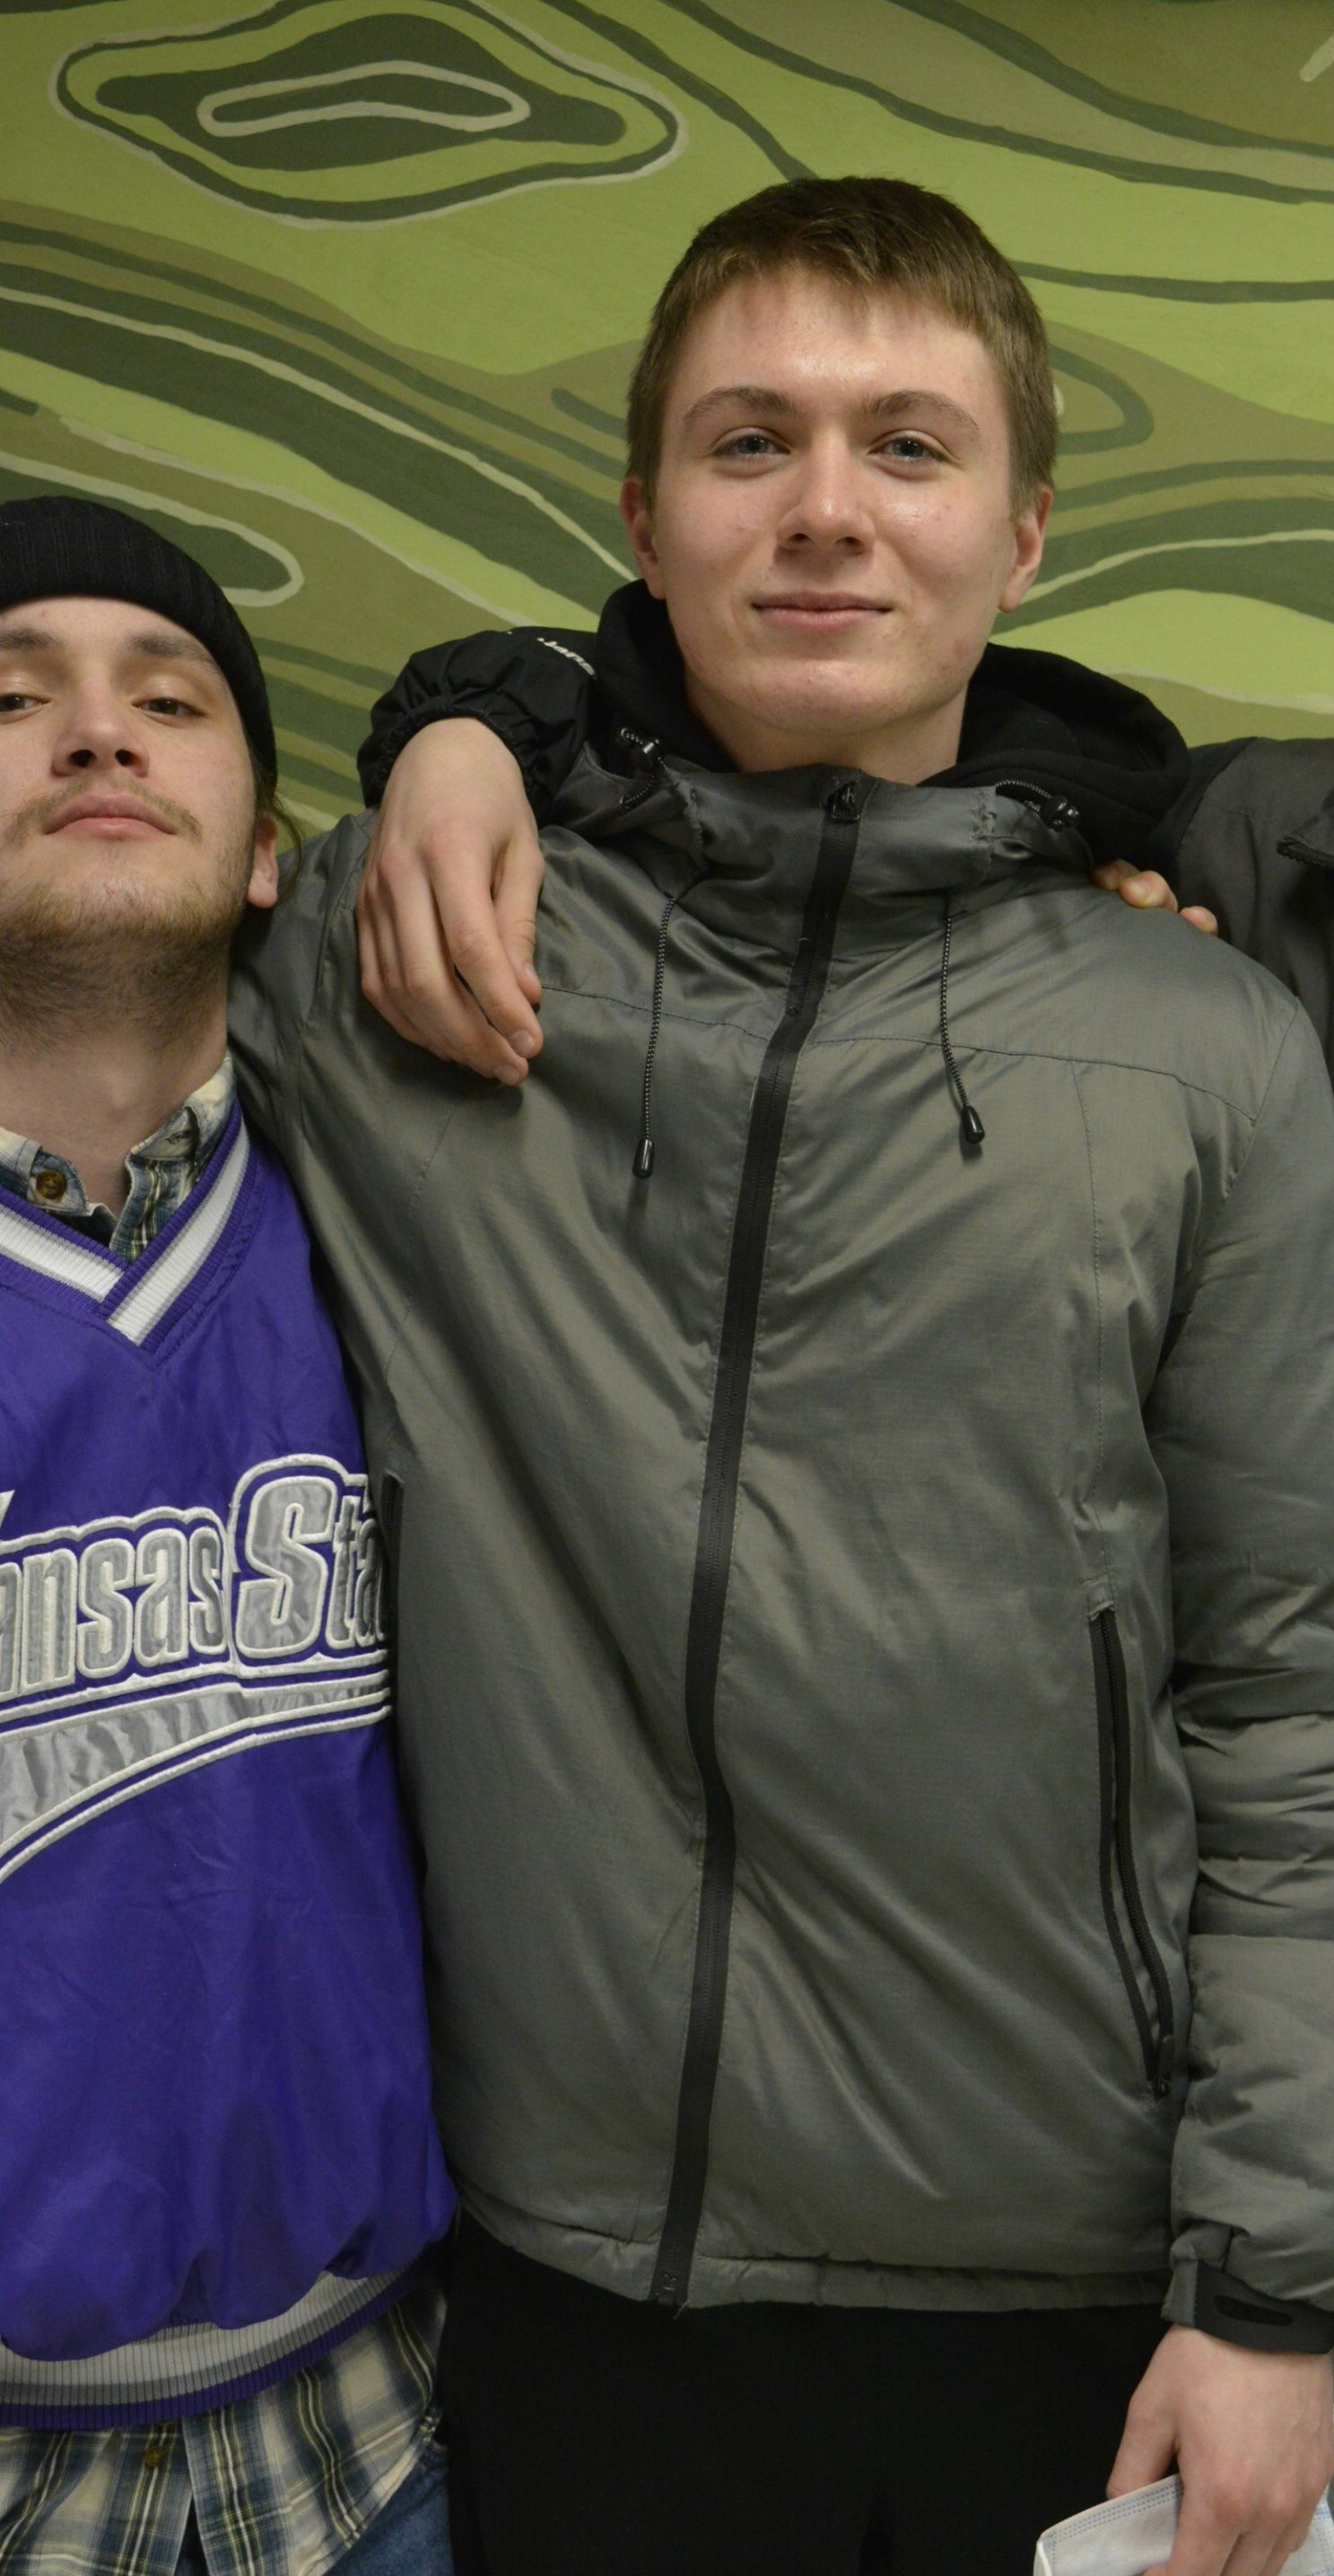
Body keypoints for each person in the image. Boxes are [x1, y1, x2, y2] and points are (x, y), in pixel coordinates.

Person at [362, 197, 1334, 2571]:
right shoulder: (1265, 861)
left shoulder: (1194, 938)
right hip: (1308, 2090)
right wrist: (469, 721)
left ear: (1021, 522)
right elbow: (868, 745)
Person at [0, 496, 457, 2576]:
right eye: (13, 697)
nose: (98, 730)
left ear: (273, 849)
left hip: (378, 2419)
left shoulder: (412, 1211)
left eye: (169, 697)